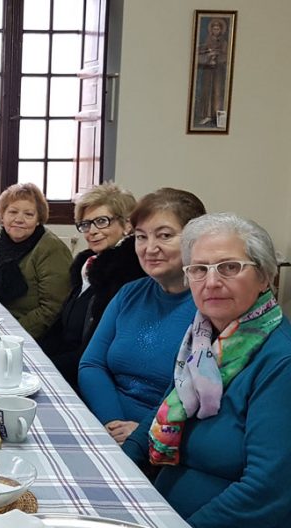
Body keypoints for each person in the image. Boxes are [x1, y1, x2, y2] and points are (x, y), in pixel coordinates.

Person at [123, 213, 291, 528]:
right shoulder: (202, 339)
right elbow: (165, 407)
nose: (211, 282)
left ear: (264, 276)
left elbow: (268, 492)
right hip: (161, 507)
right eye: (199, 269)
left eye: (230, 267)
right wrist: (120, 463)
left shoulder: (281, 361)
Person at [79, 188, 206, 445]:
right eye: (141, 237)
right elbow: (91, 364)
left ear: (196, 239)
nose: (150, 248)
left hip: (166, 439)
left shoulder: (210, 305)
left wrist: (146, 431)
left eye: (165, 235)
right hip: (107, 425)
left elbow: (205, 398)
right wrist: (112, 422)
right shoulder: (130, 293)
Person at [39, 183, 145, 391]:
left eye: (102, 221)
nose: (92, 231)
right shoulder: (89, 265)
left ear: (127, 224)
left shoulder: (127, 273)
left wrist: (43, 368)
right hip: (68, 363)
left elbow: (96, 353)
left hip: (91, 377)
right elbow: (62, 328)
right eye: (86, 224)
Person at [0, 182, 72, 340]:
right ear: (2, 217)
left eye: (28, 214)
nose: (19, 219)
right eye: (13, 212)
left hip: (35, 335)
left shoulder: (51, 248)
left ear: (38, 220)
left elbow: (52, 308)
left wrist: (9, 335)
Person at [195, 17, 229, 127]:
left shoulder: (224, 42)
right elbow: (199, 52)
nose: (216, 31)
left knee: (217, 92)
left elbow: (226, 56)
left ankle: (217, 117)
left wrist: (217, 56)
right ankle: (207, 115)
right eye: (214, 29)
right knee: (207, 91)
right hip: (208, 70)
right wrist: (209, 55)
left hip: (219, 71)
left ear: (221, 30)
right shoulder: (207, 40)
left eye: (218, 29)